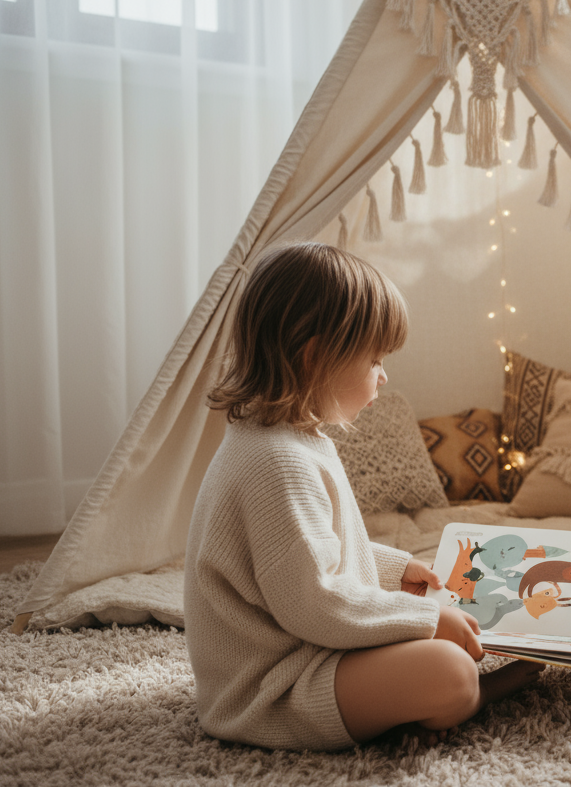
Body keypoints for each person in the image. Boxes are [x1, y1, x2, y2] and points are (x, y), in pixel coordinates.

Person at [184, 241, 541, 751]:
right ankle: (470, 696)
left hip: (304, 648)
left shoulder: (292, 441)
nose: (384, 373)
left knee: (434, 597)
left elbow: (307, 553)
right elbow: (317, 601)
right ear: (314, 358)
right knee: (449, 671)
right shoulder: (277, 462)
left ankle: (430, 683)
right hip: (272, 689)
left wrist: (395, 571)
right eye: (374, 358)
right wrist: (425, 619)